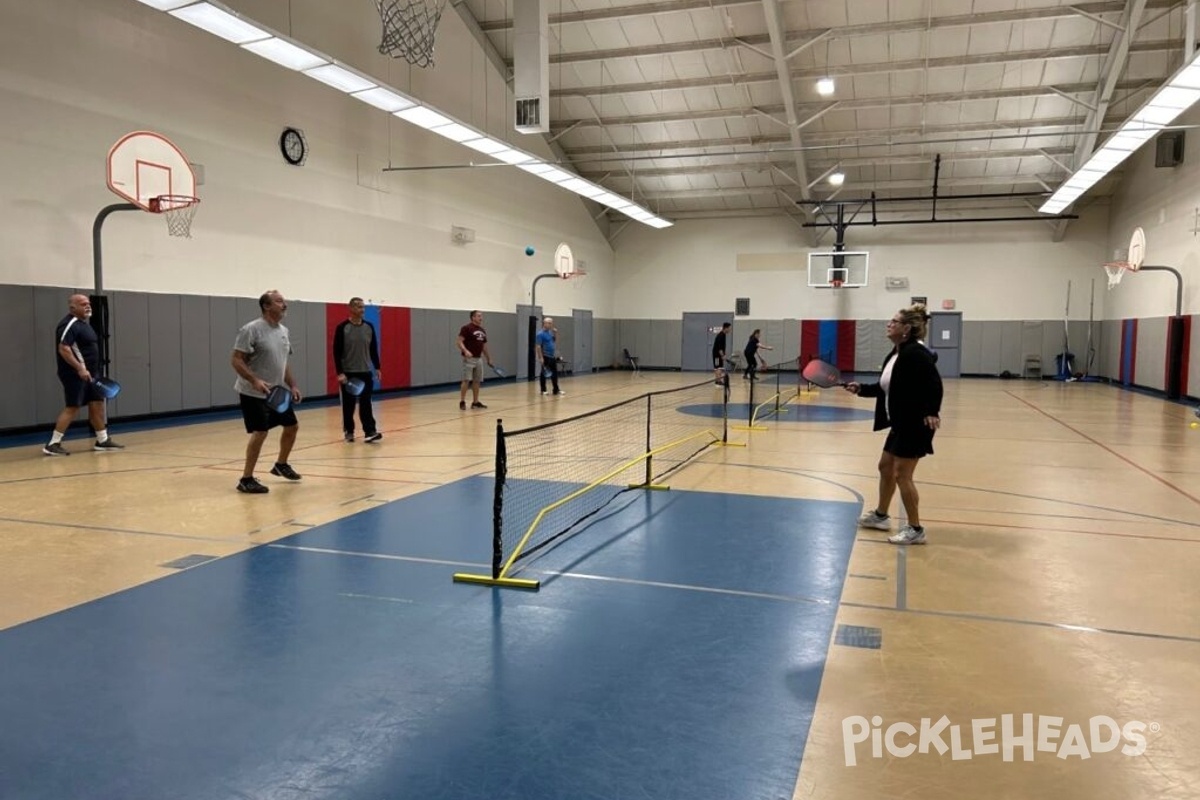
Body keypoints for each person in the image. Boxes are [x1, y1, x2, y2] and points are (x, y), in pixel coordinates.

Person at [844, 304, 943, 545]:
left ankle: (915, 529)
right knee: (885, 467)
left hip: (915, 423)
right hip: (901, 422)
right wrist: (862, 389)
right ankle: (881, 516)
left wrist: (932, 410)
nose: (889, 325)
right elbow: (886, 386)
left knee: (902, 475)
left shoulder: (915, 354)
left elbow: (935, 384)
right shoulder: (897, 352)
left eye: (894, 321)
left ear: (906, 328)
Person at [231, 290, 302, 494]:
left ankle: (281, 464)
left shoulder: (283, 331)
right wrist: (254, 380)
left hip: (276, 392)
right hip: (253, 392)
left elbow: (283, 362)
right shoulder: (251, 329)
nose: (284, 304)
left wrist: (293, 385)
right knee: (260, 432)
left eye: (284, 301)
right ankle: (246, 479)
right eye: (279, 301)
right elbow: (236, 359)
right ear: (266, 306)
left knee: (292, 426)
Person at [43, 294, 124, 456]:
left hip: (92, 374)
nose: (88, 306)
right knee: (73, 406)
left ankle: (102, 440)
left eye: (88, 304)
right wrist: (80, 368)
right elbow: (64, 348)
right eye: (82, 304)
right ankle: (53, 443)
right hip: (75, 374)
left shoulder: (84, 325)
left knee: (97, 404)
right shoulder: (70, 324)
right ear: (72, 307)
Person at [332, 297, 382, 443]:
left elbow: (373, 349)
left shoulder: (369, 327)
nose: (362, 310)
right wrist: (340, 372)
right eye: (359, 307)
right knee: (349, 405)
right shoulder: (342, 328)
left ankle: (370, 431)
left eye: (363, 307)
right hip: (348, 373)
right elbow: (336, 351)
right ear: (351, 309)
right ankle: (349, 430)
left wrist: (377, 367)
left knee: (366, 403)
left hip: (365, 372)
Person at [456, 310, 494, 410]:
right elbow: (459, 342)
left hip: (479, 359)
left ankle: (475, 402)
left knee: (477, 381)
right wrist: (465, 351)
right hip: (468, 359)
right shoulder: (466, 328)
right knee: (466, 380)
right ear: (473, 317)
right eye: (479, 316)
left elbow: (484, 346)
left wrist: (488, 358)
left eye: (481, 316)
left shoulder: (482, 330)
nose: (481, 318)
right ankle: (462, 401)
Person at [535, 316, 565, 397]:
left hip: (552, 356)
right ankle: (543, 390)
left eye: (551, 323)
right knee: (544, 373)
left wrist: (555, 333)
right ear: (545, 323)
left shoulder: (550, 332)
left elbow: (553, 341)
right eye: (549, 323)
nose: (551, 325)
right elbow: (538, 346)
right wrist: (541, 357)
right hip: (545, 356)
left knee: (554, 373)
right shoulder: (540, 334)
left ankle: (556, 390)